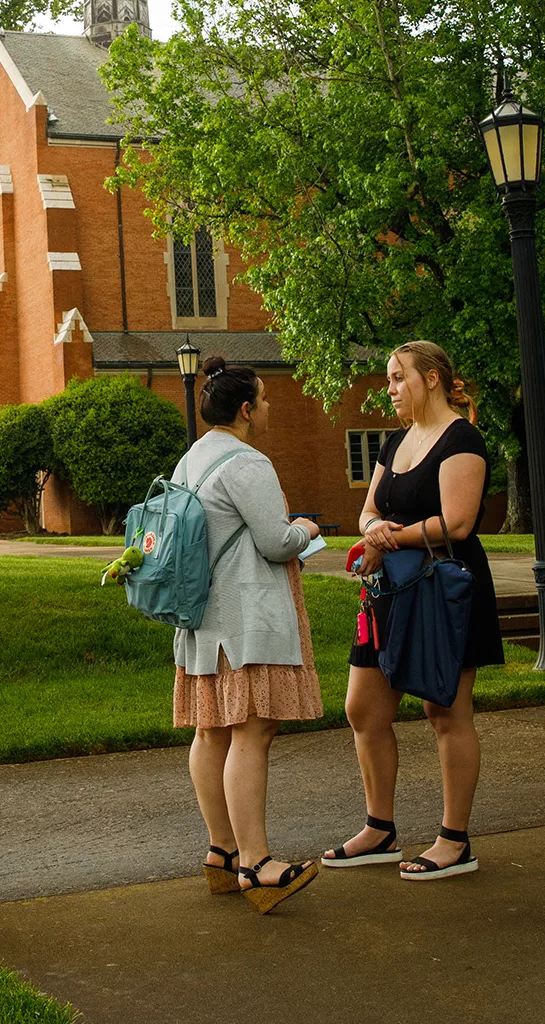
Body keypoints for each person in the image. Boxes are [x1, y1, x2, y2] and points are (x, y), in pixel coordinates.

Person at [323, 339, 495, 881]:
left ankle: (454, 840)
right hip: (390, 592)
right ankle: (380, 829)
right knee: (363, 709)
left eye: (399, 378)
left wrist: (388, 539)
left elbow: (457, 524)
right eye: (390, 379)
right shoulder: (394, 442)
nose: (390, 389)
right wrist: (373, 529)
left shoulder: (461, 440)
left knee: (445, 712)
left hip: (445, 590)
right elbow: (368, 509)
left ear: (433, 379)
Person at [171, 355, 326, 913]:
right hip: (246, 621)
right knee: (251, 733)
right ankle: (259, 866)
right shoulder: (248, 463)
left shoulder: (190, 460)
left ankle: (223, 852)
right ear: (244, 409)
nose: (268, 407)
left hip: (200, 620)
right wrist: (306, 527)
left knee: (210, 733)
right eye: (262, 399)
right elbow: (275, 542)